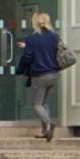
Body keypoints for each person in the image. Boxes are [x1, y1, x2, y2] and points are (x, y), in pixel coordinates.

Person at [14, 11, 67, 140]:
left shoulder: (33, 38)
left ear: (35, 22)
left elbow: (28, 57)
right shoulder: (55, 36)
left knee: (36, 104)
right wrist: (27, 46)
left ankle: (49, 123)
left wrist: (20, 70)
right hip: (53, 75)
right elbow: (47, 50)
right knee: (43, 102)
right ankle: (45, 131)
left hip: (39, 75)